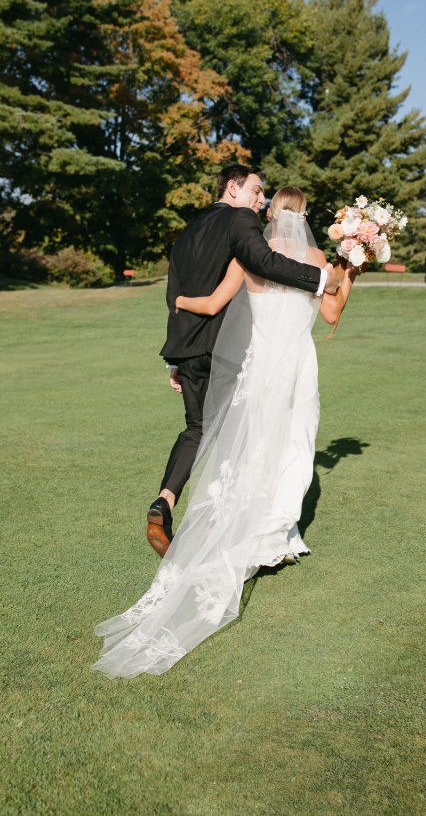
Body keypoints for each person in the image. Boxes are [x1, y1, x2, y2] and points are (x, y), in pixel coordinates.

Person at [92, 187, 357, 678]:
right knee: (295, 446)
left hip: (260, 370)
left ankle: (249, 532)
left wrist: (178, 301)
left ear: (272, 213)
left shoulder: (249, 256)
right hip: (300, 366)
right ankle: (277, 536)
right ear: (306, 218)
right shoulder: (319, 258)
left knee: (252, 445)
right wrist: (352, 272)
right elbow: (333, 314)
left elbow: (213, 303)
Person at [146, 165, 339, 556]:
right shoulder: (240, 220)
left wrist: (174, 358)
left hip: (187, 349)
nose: (260, 200)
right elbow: (265, 262)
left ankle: (164, 500)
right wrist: (323, 278)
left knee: (196, 429)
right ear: (232, 188)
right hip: (225, 353)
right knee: (244, 435)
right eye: (255, 190)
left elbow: (177, 293)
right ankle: (228, 524)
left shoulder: (187, 231)